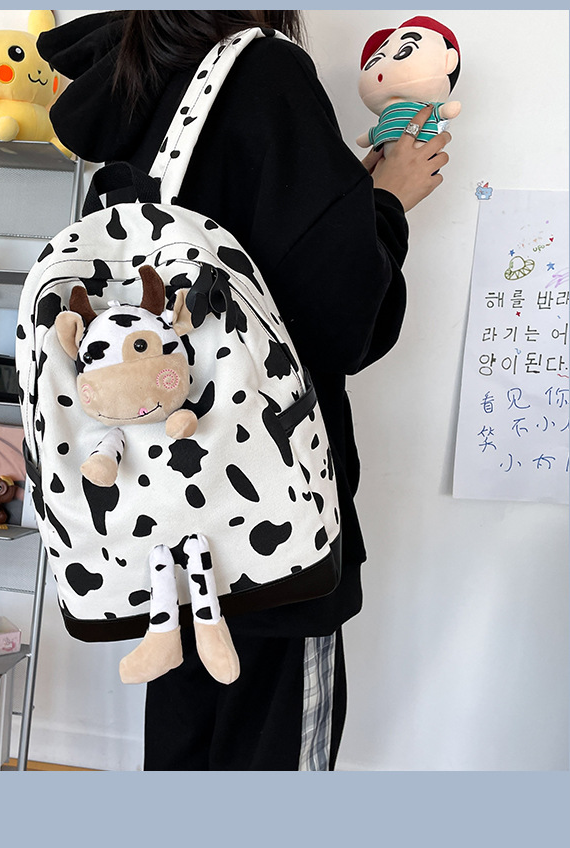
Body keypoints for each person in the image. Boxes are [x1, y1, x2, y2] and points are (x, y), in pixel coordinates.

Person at [38, 10, 452, 771]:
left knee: (185, 746)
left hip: (165, 520)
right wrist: (386, 203)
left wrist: (347, 201)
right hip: (272, 523)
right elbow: (344, 323)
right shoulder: (265, 73)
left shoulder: (135, 81)